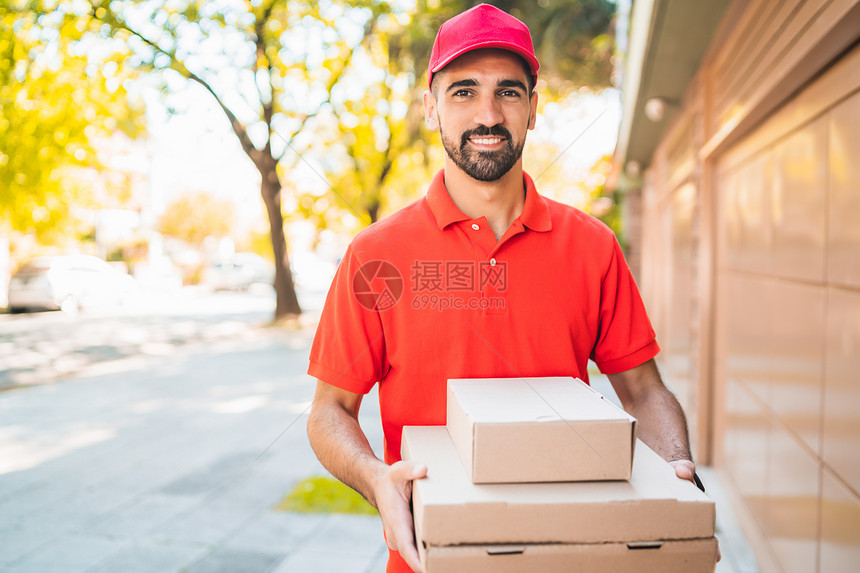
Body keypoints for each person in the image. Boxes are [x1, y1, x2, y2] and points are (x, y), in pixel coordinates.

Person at [307, 5, 700, 572]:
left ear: (533, 108)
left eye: (508, 92)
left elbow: (643, 390)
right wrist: (375, 479)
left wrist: (677, 468)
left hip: (573, 557)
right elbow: (329, 411)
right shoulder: (375, 255)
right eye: (463, 91)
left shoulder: (592, 247)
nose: (487, 114)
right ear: (430, 107)